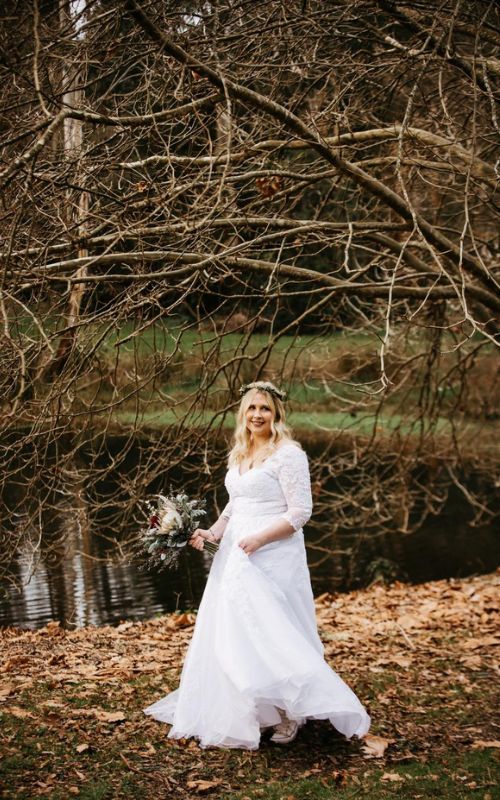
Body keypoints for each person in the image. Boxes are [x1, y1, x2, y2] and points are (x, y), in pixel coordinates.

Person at [143, 380, 371, 749]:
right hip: (237, 553)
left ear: (276, 414)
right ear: (243, 414)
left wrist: (261, 538)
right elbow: (236, 503)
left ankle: (289, 713)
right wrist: (213, 532)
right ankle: (253, 706)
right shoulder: (240, 452)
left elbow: (301, 512)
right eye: (251, 408)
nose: (257, 415)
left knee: (275, 631)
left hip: (273, 553)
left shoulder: (289, 454)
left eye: (264, 408)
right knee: (238, 630)